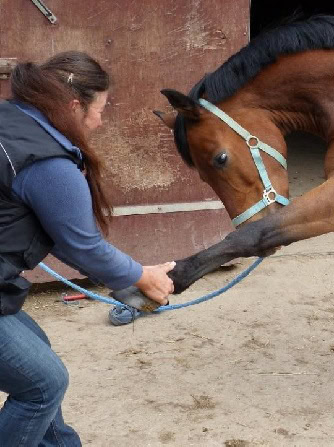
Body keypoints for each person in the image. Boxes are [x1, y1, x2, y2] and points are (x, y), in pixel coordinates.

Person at [0, 51, 174, 446]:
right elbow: (82, 246)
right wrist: (142, 275)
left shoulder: (9, 119)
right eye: (100, 110)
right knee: (43, 384)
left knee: (37, 354)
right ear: (74, 105)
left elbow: (66, 240)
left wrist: (128, 274)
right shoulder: (47, 163)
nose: (99, 122)